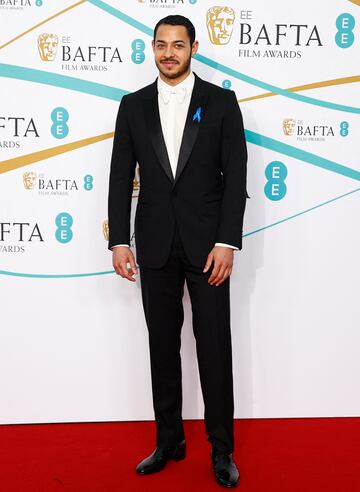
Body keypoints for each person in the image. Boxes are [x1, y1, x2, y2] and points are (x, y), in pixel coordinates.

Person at [107, 14, 248, 488]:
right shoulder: (132, 105)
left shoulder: (222, 103)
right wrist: (119, 240)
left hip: (209, 248)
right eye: (161, 44)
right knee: (161, 348)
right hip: (154, 244)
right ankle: (169, 440)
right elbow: (120, 174)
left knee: (213, 349)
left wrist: (228, 241)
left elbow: (236, 181)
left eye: (178, 44)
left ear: (194, 48)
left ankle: (222, 450)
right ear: (152, 48)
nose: (169, 52)